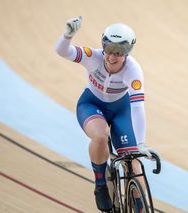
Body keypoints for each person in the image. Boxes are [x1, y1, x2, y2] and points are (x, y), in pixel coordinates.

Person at [56, 16, 158, 211]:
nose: (111, 57)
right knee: (101, 136)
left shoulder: (133, 70)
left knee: (133, 163)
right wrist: (67, 36)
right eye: (109, 50)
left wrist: (141, 143)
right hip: (91, 104)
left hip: (121, 110)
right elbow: (62, 51)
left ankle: (141, 208)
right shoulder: (92, 57)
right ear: (103, 46)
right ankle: (101, 185)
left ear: (127, 52)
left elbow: (137, 107)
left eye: (118, 53)